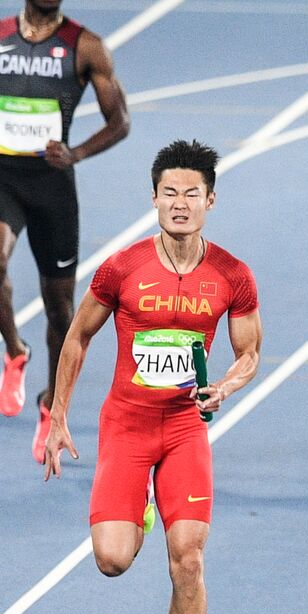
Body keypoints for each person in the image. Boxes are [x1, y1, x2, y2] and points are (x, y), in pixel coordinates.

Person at [43, 140, 262, 614]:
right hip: (127, 426)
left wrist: (228, 386)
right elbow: (78, 335)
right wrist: (59, 413)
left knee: (188, 559)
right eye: (170, 193)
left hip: (185, 428)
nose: (181, 204)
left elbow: (250, 352)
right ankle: (136, 509)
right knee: (112, 560)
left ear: (210, 201)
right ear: (155, 199)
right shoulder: (122, 268)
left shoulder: (233, 275)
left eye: (192, 193)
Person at [0, 0, 129, 460]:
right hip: (4, 182)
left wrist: (76, 154)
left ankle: (50, 402)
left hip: (53, 189)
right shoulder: (1, 37)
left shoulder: (86, 47)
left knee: (61, 310)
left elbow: (121, 122)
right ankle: (15, 349)